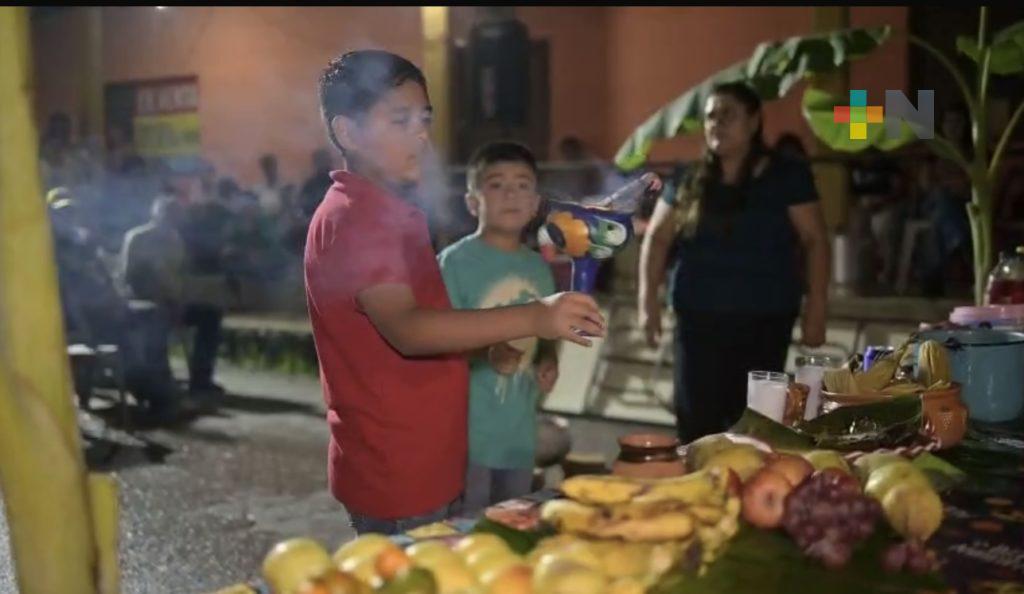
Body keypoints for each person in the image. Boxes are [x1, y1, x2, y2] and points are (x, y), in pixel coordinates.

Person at [304, 50, 604, 535]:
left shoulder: (385, 213)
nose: (421, 135)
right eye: (399, 120)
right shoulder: (357, 219)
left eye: (423, 119)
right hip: (398, 472)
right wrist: (535, 317)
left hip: (424, 459)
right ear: (348, 132)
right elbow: (409, 329)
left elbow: (429, 322)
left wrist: (490, 345)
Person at [638, 81, 830, 443]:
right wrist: (647, 300)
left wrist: (817, 307)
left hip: (765, 319)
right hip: (698, 321)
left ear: (754, 121)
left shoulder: (785, 175)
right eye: (711, 116)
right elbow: (658, 237)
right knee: (696, 428)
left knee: (754, 430)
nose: (717, 123)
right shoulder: (688, 177)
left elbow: (815, 239)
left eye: (728, 115)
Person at [437, 141, 560, 514]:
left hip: (518, 434)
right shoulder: (454, 264)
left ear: (535, 203)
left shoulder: (539, 268)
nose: (511, 194)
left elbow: (547, 332)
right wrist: (485, 351)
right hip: (466, 438)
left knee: (512, 522)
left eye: (522, 185)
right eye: (496, 184)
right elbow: (437, 339)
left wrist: (548, 361)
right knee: (466, 529)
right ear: (472, 202)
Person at [122, 194, 225, 397]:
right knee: (156, 318)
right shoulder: (138, 238)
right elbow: (130, 277)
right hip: (145, 303)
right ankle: (161, 381)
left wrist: (180, 299)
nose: (174, 219)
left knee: (211, 315)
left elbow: (179, 275)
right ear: (156, 215)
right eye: (169, 214)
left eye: (177, 215)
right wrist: (158, 294)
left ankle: (201, 379)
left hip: (173, 301)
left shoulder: (175, 240)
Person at [252, 153, 293, 217]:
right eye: (266, 168)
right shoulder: (258, 190)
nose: (269, 171)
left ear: (275, 168)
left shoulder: (286, 189)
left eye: (271, 167)